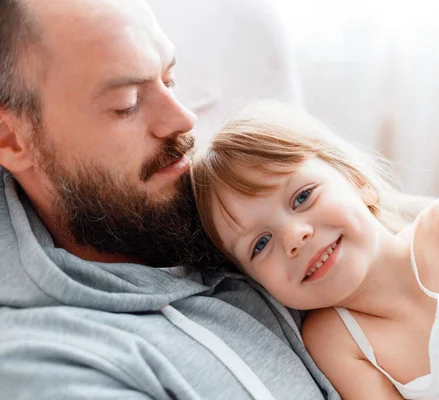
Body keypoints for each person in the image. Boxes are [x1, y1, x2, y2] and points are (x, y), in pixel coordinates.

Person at [0, 0, 340, 399]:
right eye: (126, 104)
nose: (183, 119)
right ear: (12, 139)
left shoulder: (211, 197)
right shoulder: (49, 365)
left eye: (170, 78)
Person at [192, 101, 439, 400]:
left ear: (357, 182)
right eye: (260, 244)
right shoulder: (336, 340)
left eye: (301, 197)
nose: (295, 237)